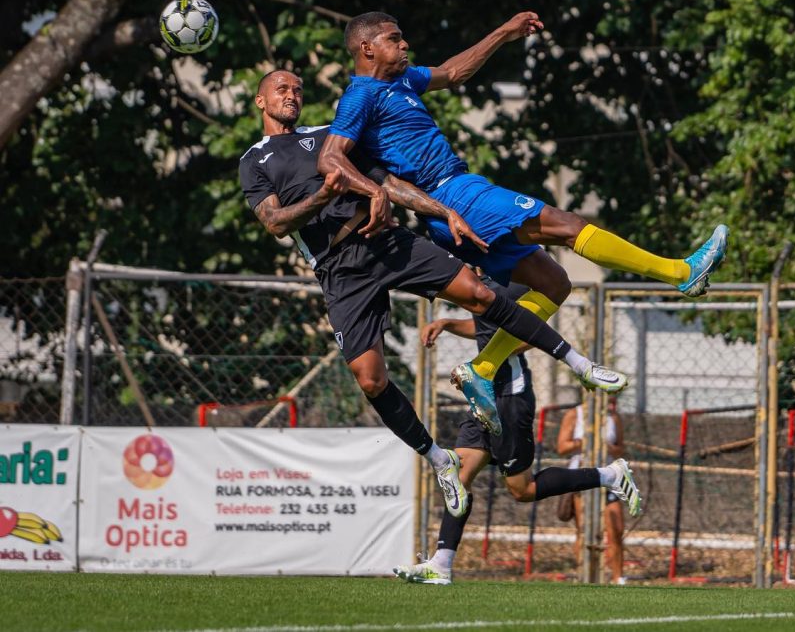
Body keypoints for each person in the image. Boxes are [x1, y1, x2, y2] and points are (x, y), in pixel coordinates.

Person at [238, 69, 630, 517]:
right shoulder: (256, 159)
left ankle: (578, 363)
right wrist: (324, 196)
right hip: (339, 270)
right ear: (260, 101)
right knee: (371, 379)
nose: (292, 94)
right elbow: (275, 223)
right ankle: (438, 459)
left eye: (297, 88)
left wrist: (446, 211)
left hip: (386, 242)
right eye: (282, 89)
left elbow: (389, 185)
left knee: (480, 294)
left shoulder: (331, 137)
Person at [316, 10, 727, 428]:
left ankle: (483, 369)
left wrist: (503, 33)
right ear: (367, 48)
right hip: (453, 195)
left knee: (554, 283)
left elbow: (454, 72)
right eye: (394, 38)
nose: (404, 45)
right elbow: (329, 157)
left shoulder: (402, 81)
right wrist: (373, 191)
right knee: (565, 224)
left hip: (458, 196)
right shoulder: (360, 96)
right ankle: (680, 273)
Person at [393, 277, 642, 585]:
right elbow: (485, 330)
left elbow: (533, 334)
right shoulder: (475, 279)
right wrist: (447, 323)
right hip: (480, 396)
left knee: (522, 490)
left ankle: (609, 475)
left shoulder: (516, 280)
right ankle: (441, 564)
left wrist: (484, 360)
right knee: (457, 477)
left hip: (511, 397)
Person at [557, 397, 629, 585]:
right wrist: (585, 442)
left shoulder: (614, 418)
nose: (613, 406)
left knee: (616, 528)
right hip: (582, 475)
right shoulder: (575, 414)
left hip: (609, 478)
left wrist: (609, 447)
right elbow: (562, 447)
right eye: (609, 401)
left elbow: (621, 448)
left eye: (614, 402)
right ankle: (586, 575)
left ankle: (617, 577)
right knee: (585, 529)